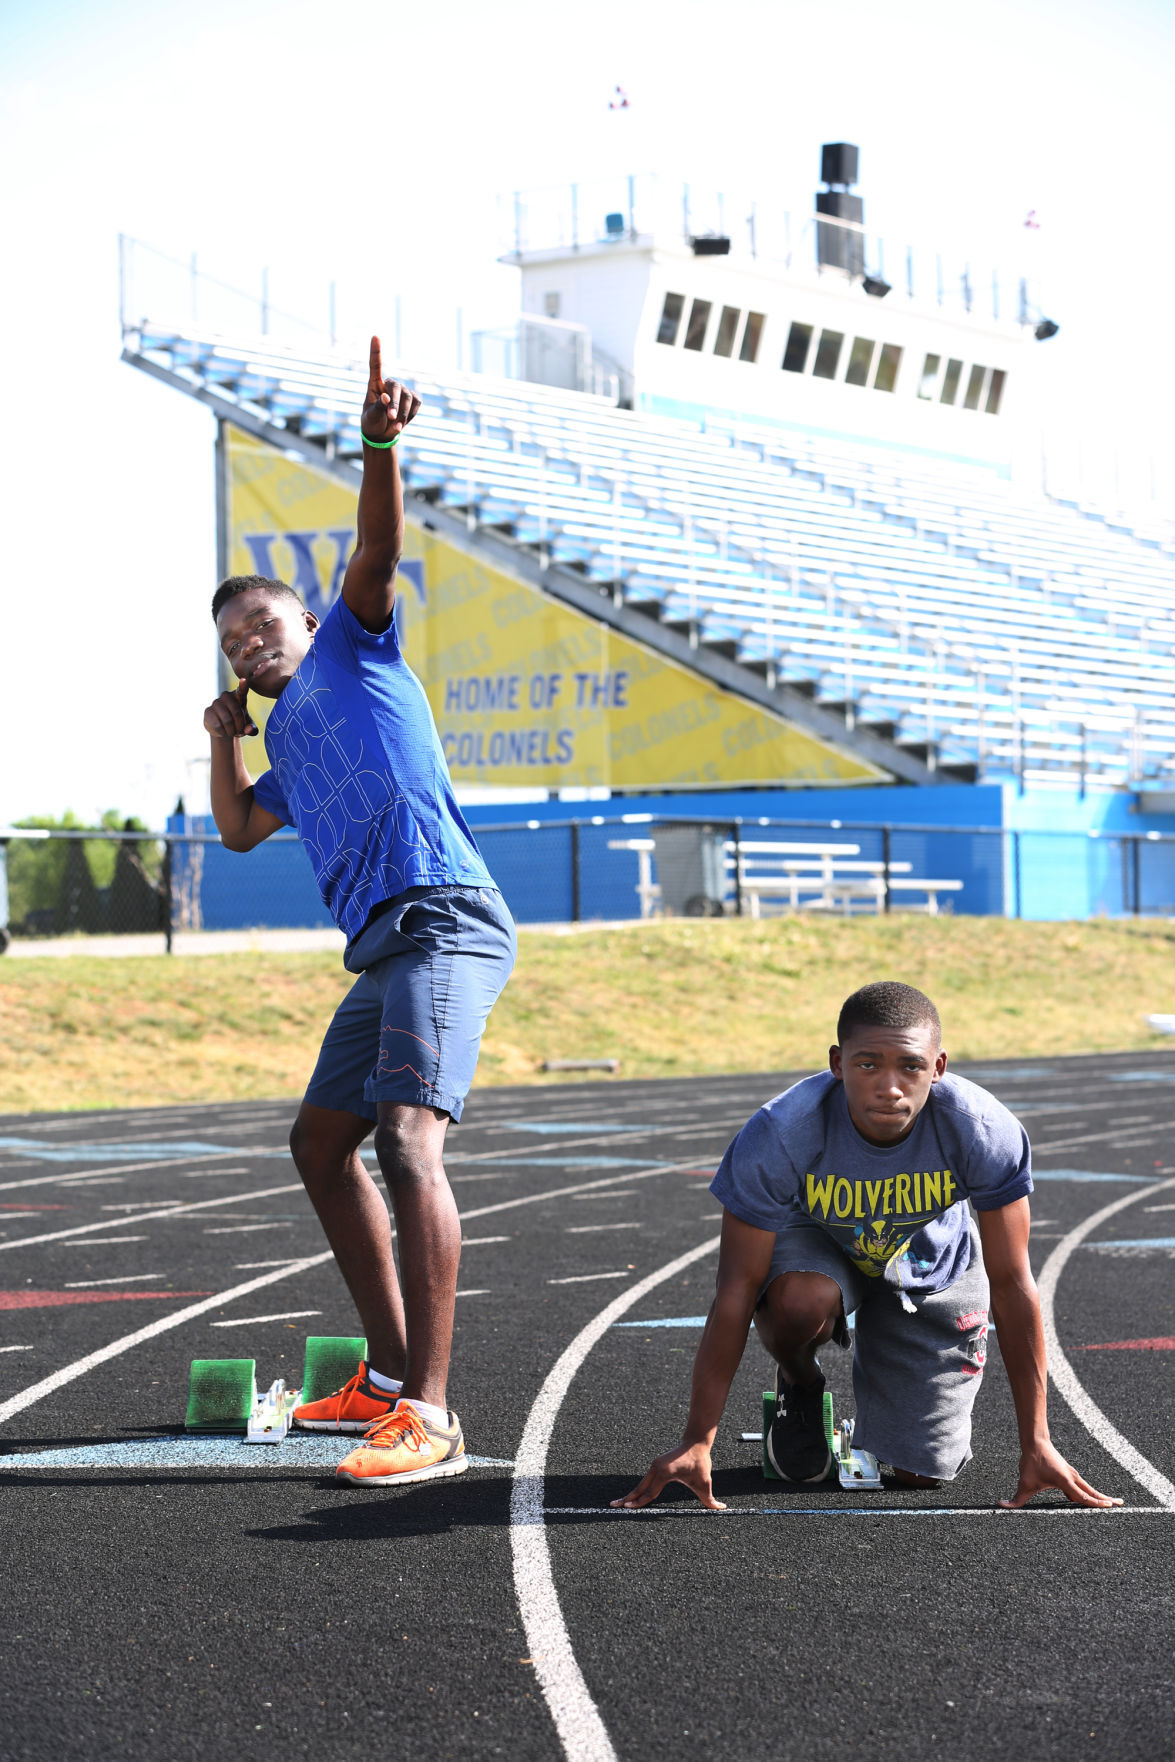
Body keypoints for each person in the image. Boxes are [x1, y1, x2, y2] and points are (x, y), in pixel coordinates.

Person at [202, 338, 516, 1488]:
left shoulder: (354, 645)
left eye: (262, 623)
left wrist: (379, 441)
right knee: (319, 1142)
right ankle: (383, 1378)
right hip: (381, 949)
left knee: (406, 1138)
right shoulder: (278, 733)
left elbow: (376, 545)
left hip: (444, 916)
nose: (248, 639)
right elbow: (237, 830)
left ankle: (429, 1412)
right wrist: (220, 743)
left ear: (303, 624)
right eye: (233, 638)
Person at [615, 980, 1120, 1511]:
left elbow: (1015, 1284)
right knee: (796, 1303)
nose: (890, 1087)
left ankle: (897, 1416)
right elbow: (736, 1290)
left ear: (939, 1067)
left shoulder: (983, 1130)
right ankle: (800, 1383)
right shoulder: (781, 1133)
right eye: (868, 1065)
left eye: (910, 1066)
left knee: (921, 1474)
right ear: (837, 1063)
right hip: (820, 1240)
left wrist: (1037, 1442)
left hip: (928, 1256)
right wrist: (698, 1439)